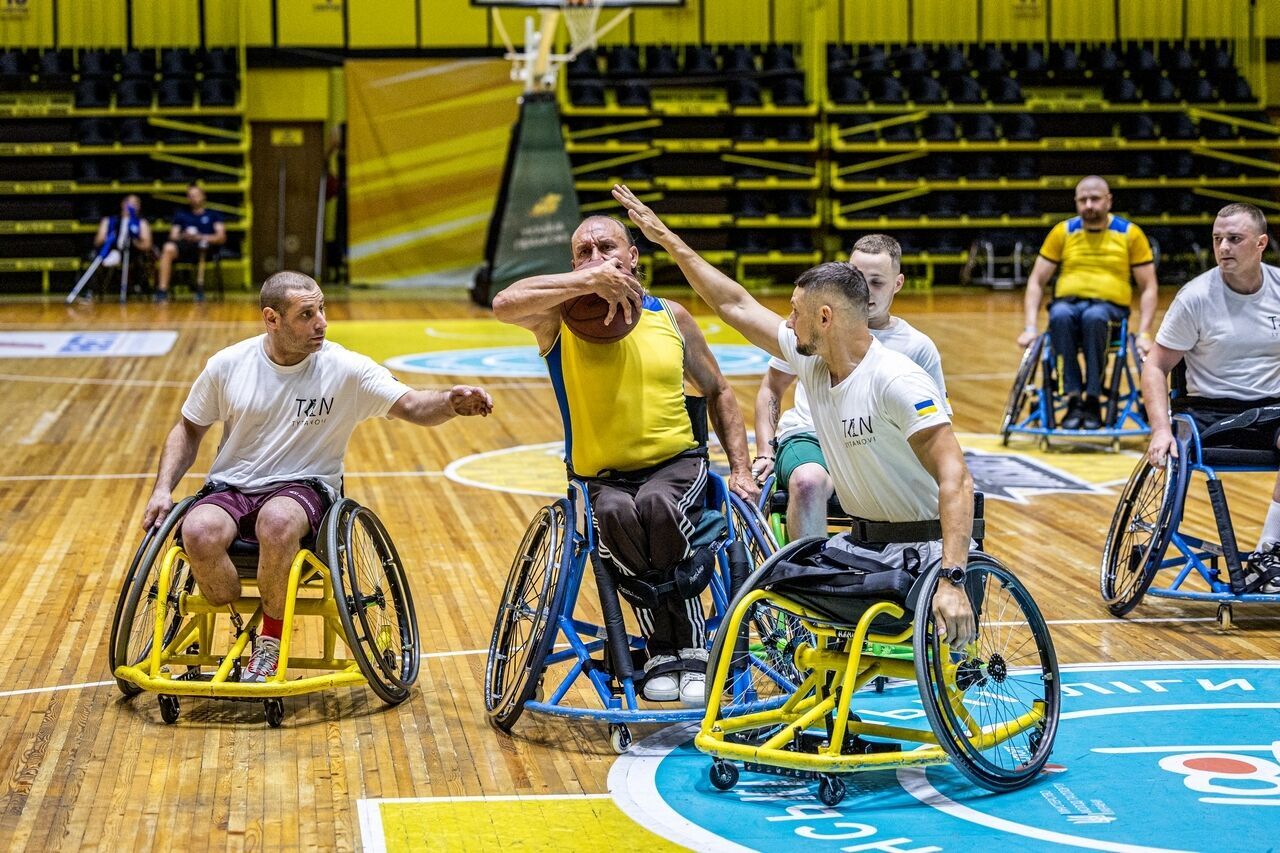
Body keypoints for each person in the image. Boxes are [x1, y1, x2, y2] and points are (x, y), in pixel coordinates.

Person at [612, 185, 977, 646]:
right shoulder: (813, 359)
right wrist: (667, 239)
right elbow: (733, 304)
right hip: (862, 549)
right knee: (762, 594)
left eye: (794, 312)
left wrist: (954, 578)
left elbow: (957, 478)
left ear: (824, 318)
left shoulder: (896, 378)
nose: (785, 322)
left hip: (918, 554)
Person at [141, 271, 494, 682]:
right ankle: (232, 607)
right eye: (307, 314)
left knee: (277, 520)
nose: (322, 322)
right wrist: (163, 489)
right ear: (271, 319)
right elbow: (188, 429)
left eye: (321, 308)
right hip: (233, 487)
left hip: (305, 488)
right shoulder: (228, 365)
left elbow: (414, 405)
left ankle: (270, 643)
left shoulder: (344, 368)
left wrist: (451, 402)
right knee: (197, 531)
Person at [492, 215, 758, 706]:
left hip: (676, 464)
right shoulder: (558, 319)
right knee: (615, 515)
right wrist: (586, 282)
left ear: (632, 256)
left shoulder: (671, 317)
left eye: (606, 248)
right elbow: (503, 303)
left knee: (658, 505)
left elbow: (718, 390)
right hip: (600, 479)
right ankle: (666, 651)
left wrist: (740, 470)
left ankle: (687, 648)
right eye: (583, 253)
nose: (596, 259)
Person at [753, 233, 949, 540]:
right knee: (808, 481)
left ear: (898, 283)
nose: (865, 291)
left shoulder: (918, 347)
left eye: (877, 282)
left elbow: (937, 426)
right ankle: (808, 579)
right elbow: (771, 389)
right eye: (858, 278)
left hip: (875, 447)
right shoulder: (813, 326)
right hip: (812, 439)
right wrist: (764, 452)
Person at [1142, 203, 1280, 593]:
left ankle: (1270, 551)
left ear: (1260, 244)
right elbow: (1155, 367)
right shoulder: (1196, 297)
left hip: (1269, 409)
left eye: (1234, 239)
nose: (1223, 247)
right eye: (1218, 239)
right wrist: (1159, 430)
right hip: (1208, 416)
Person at [1016, 176, 1159, 430]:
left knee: (1094, 318)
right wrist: (1029, 328)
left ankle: (1092, 399)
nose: (1088, 205)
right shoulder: (1063, 232)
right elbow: (1037, 281)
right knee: (1059, 315)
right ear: (1076, 202)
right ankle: (1072, 398)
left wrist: (1145, 333)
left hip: (1109, 312)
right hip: (1068, 307)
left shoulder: (1129, 234)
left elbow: (1148, 287)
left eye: (1094, 199)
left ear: (1108, 200)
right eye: (1083, 200)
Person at [156, 183, 227, 302]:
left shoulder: (213, 215)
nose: (193, 198)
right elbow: (173, 235)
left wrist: (200, 237)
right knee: (168, 248)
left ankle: (200, 288)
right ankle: (162, 291)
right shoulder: (181, 215)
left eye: (196, 195)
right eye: (190, 195)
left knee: (202, 247)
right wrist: (184, 236)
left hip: (206, 248)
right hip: (185, 247)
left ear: (203, 196)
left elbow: (221, 237)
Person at [93, 193, 153, 273]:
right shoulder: (109, 221)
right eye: (129, 202)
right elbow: (98, 241)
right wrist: (109, 240)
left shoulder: (142, 223)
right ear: (123, 204)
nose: (132, 206)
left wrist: (134, 242)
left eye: (135, 203)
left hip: (133, 254)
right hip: (111, 251)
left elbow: (147, 245)